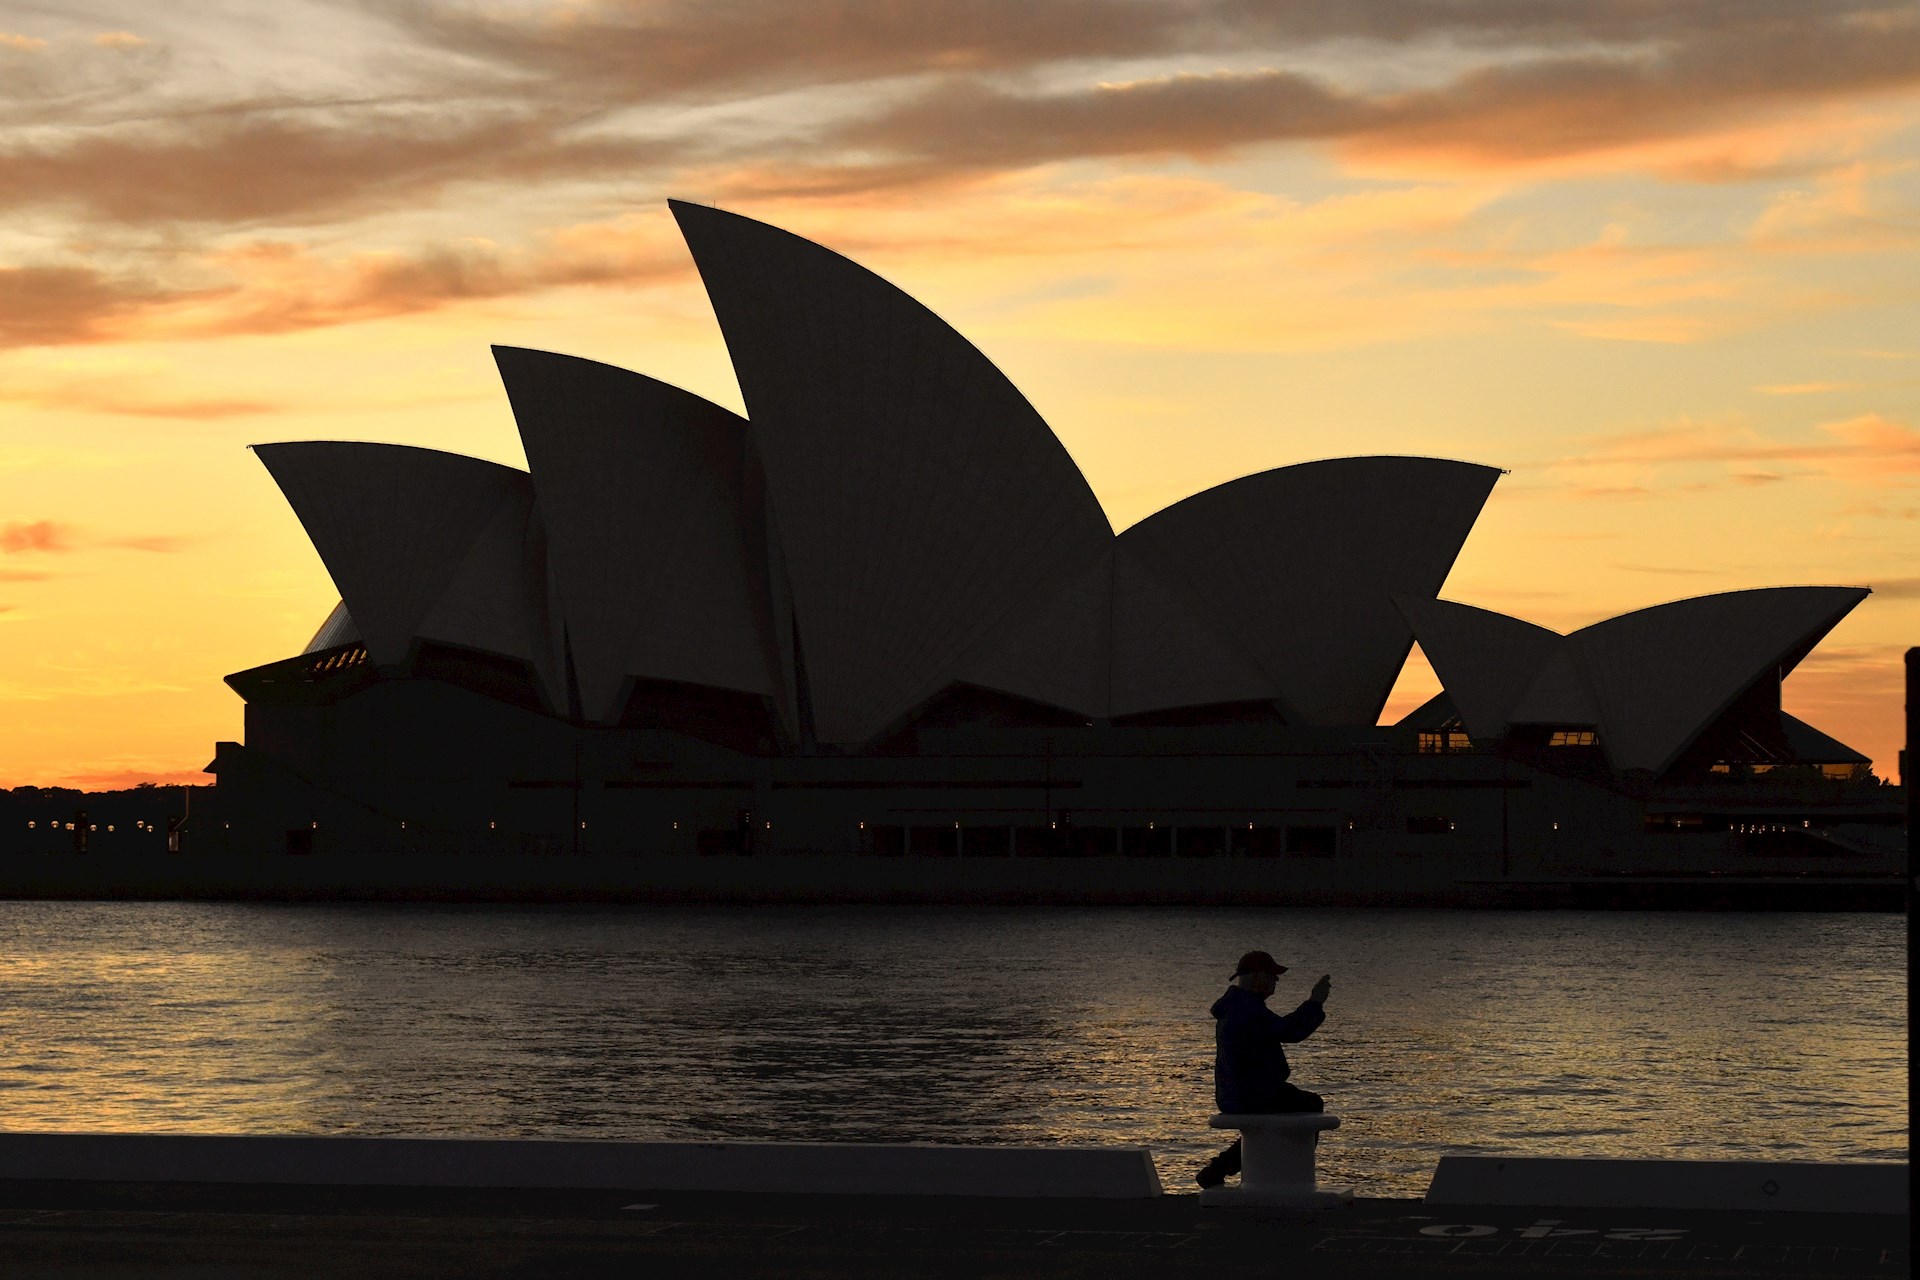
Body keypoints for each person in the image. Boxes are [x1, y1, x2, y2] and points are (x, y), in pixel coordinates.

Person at [1196, 950, 1332, 1190]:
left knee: (1267, 1126)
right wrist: (1315, 1003)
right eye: (1272, 976)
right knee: (1312, 1105)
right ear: (1257, 977)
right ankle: (1291, 1172)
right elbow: (1290, 1031)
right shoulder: (1247, 1010)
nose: (1275, 982)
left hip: (1236, 1093)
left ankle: (1217, 1169)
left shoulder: (1237, 1006)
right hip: (1253, 1094)